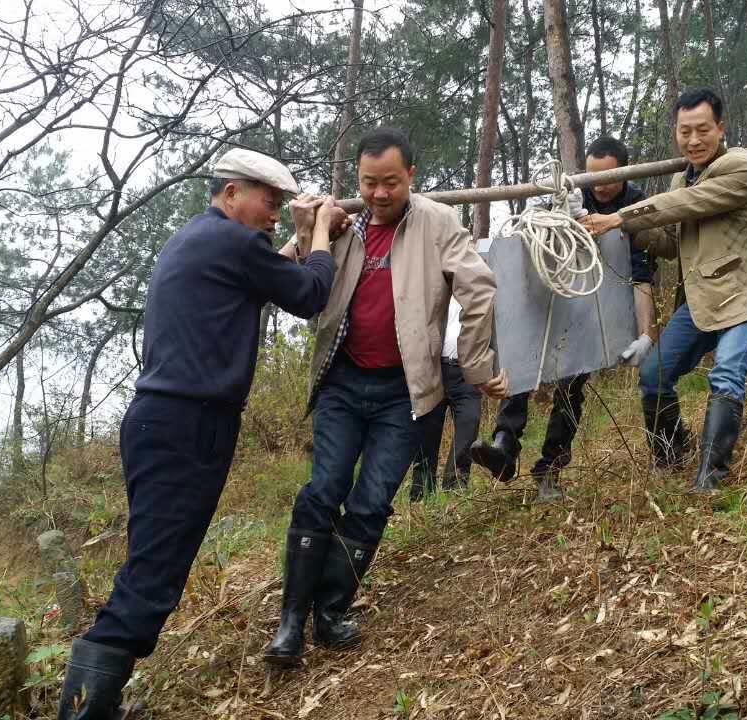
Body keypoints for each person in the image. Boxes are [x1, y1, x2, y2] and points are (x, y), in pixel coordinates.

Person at [57, 149, 342, 720]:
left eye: (283, 204)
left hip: (160, 420)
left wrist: (304, 237)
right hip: (190, 425)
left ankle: (98, 704)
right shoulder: (232, 243)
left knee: (151, 563)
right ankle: (84, 713)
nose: (274, 213)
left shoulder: (200, 239)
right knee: (154, 573)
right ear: (232, 192)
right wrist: (322, 236)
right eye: (269, 201)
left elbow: (270, 282)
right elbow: (309, 293)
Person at [263, 127, 508, 669]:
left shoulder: (439, 223)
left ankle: (329, 612)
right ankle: (289, 624)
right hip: (343, 386)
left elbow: (480, 289)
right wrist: (309, 233)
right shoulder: (342, 224)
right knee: (322, 490)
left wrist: (474, 364)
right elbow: (300, 294)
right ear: (358, 178)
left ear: (411, 176)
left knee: (371, 502)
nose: (377, 194)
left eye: (389, 183)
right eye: (368, 182)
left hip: (406, 392)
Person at [581, 88, 747, 493]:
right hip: (701, 297)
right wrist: (621, 233)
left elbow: (689, 203)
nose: (693, 140)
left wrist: (621, 217)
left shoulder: (740, 168)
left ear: (720, 128)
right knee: (654, 373)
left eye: (702, 130)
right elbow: (673, 242)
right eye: (685, 131)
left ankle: (710, 478)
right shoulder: (681, 177)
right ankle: (671, 455)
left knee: (726, 373)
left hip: (744, 292)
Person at [466, 135, 658, 503]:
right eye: (592, 176)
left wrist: (645, 332)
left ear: (625, 171)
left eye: (609, 177)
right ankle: (504, 445)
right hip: (550, 295)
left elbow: (641, 272)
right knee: (522, 364)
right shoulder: (569, 192)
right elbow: (529, 243)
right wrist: (553, 213)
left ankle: (550, 469)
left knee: (572, 386)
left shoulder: (635, 203)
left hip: (596, 306)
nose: (600, 185)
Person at [408, 296, 484, 500]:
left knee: (470, 422)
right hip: (435, 371)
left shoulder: (480, 296)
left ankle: (454, 487)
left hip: (468, 373)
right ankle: (421, 493)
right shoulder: (437, 292)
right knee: (427, 433)